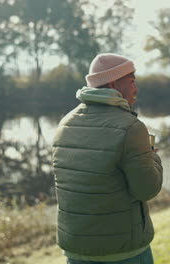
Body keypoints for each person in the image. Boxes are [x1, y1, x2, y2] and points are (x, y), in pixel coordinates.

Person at [52, 53, 163, 264]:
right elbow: (147, 189)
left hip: (76, 253)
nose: (136, 88)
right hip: (123, 254)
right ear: (113, 83)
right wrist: (153, 158)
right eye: (132, 81)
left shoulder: (64, 124)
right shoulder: (131, 127)